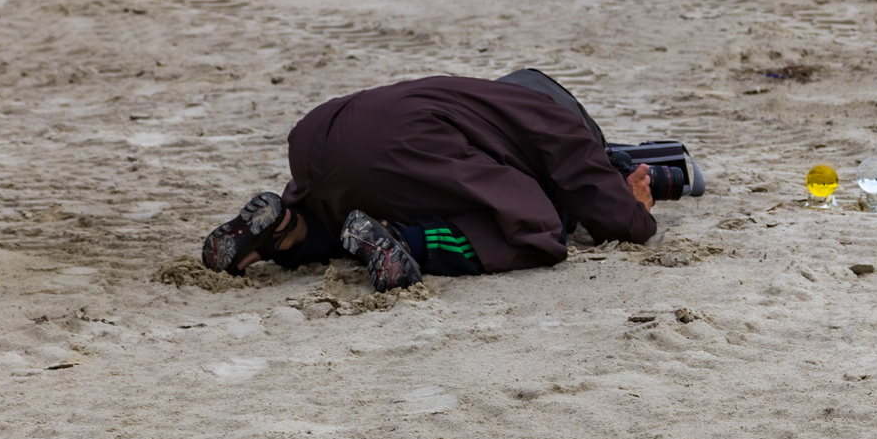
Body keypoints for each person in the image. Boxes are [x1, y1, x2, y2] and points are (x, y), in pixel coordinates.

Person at [200, 72, 658, 291]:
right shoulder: (559, 122)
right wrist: (635, 202)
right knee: (535, 225)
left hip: (320, 133)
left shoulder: (486, 97)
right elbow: (616, 221)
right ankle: (405, 242)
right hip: (400, 145)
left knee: (341, 207)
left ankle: (286, 228)